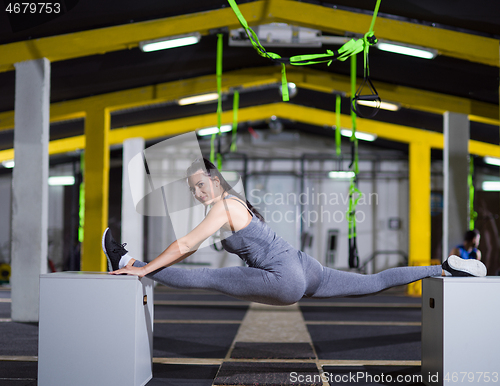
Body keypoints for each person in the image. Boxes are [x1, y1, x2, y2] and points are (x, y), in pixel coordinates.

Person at [102, 157, 487, 306]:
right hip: (307, 267)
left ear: (217, 182)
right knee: (373, 281)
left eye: (201, 184)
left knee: (209, 276)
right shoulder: (235, 204)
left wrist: (143, 268)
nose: (197, 191)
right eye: (192, 188)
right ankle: (445, 268)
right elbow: (188, 246)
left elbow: (187, 243)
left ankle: (126, 260)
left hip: (285, 277)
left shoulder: (224, 206)